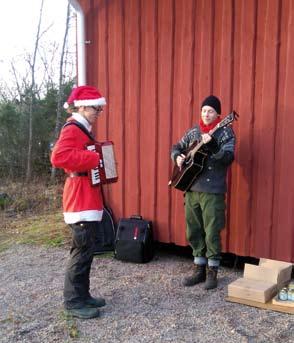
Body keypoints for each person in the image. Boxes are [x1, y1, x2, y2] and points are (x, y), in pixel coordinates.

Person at [51, 85, 107, 319]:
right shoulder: (73, 128)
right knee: (81, 252)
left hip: (86, 195)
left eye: (99, 109)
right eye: (96, 108)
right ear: (82, 106)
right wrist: (93, 158)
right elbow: (58, 157)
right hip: (79, 198)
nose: (98, 113)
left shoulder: (83, 130)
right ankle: (73, 302)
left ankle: (82, 295)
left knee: (86, 250)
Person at [171, 95, 235, 290]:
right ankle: (198, 268)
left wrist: (213, 145)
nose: (206, 114)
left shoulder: (225, 133)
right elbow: (177, 147)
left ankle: (212, 272)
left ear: (219, 114)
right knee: (194, 229)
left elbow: (228, 157)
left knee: (212, 230)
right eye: (204, 110)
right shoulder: (193, 131)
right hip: (191, 188)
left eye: (211, 111)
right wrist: (178, 157)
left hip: (212, 191)